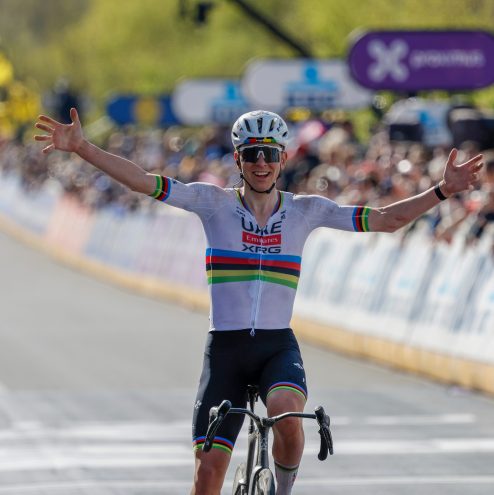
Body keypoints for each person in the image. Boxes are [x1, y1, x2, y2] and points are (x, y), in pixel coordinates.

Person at [34, 108, 483, 495]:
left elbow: (386, 219)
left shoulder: (306, 210)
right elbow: (143, 182)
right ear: (238, 160)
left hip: (275, 346)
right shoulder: (211, 203)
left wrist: (442, 190)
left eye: (270, 154)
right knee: (208, 474)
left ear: (284, 158)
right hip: (226, 351)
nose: (262, 163)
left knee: (289, 418)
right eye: (252, 154)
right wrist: (83, 148)